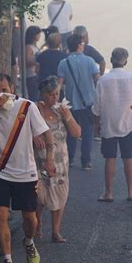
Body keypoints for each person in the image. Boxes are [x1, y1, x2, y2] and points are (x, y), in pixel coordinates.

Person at [0, 73, 56, 263]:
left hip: (26, 173)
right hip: (0, 172)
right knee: (0, 214)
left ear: (12, 88)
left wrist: (50, 158)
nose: (1, 94)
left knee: (30, 219)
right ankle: (7, 261)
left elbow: (46, 132)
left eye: (4, 89)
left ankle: (28, 241)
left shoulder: (27, 107)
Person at [92, 48, 132, 202]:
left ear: (111, 60)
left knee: (109, 158)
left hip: (108, 123)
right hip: (128, 122)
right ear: (125, 62)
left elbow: (96, 106)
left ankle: (108, 193)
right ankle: (131, 192)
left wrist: (97, 124)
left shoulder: (103, 80)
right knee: (128, 158)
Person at [33, 76, 81, 243]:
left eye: (57, 94)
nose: (55, 98)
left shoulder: (62, 110)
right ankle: (37, 223)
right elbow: (24, 130)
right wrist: (33, 136)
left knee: (60, 195)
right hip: (39, 161)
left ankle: (55, 231)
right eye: (51, 94)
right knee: (40, 197)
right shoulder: (35, 109)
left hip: (60, 162)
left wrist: (67, 117)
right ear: (42, 94)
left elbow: (77, 133)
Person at [57, 34, 100, 170]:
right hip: (88, 102)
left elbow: (59, 84)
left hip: (71, 103)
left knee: (71, 132)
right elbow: (98, 80)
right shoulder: (90, 61)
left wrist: (57, 102)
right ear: (79, 45)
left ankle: (69, 159)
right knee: (87, 132)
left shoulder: (64, 63)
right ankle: (86, 161)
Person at [25, 25, 42, 101]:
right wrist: (37, 62)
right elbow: (27, 61)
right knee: (34, 97)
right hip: (31, 75)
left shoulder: (34, 46)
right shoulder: (28, 47)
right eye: (38, 34)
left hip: (35, 74)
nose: (40, 36)